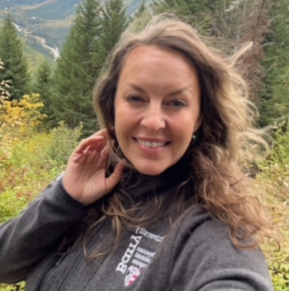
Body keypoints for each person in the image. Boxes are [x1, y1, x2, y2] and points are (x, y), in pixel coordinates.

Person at [0, 16, 274, 291]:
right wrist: (65, 199)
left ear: (199, 118)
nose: (154, 121)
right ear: (113, 106)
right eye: (136, 98)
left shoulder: (208, 226)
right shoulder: (91, 184)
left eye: (176, 103)